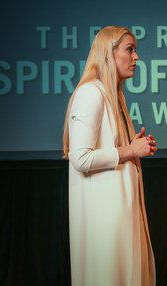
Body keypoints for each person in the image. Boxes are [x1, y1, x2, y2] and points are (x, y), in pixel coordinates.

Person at [62, 26, 156, 286]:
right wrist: (129, 150)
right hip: (104, 222)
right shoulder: (90, 92)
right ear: (108, 53)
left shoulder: (115, 95)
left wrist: (132, 146)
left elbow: (110, 150)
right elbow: (80, 158)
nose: (136, 57)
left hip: (121, 217)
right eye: (130, 49)